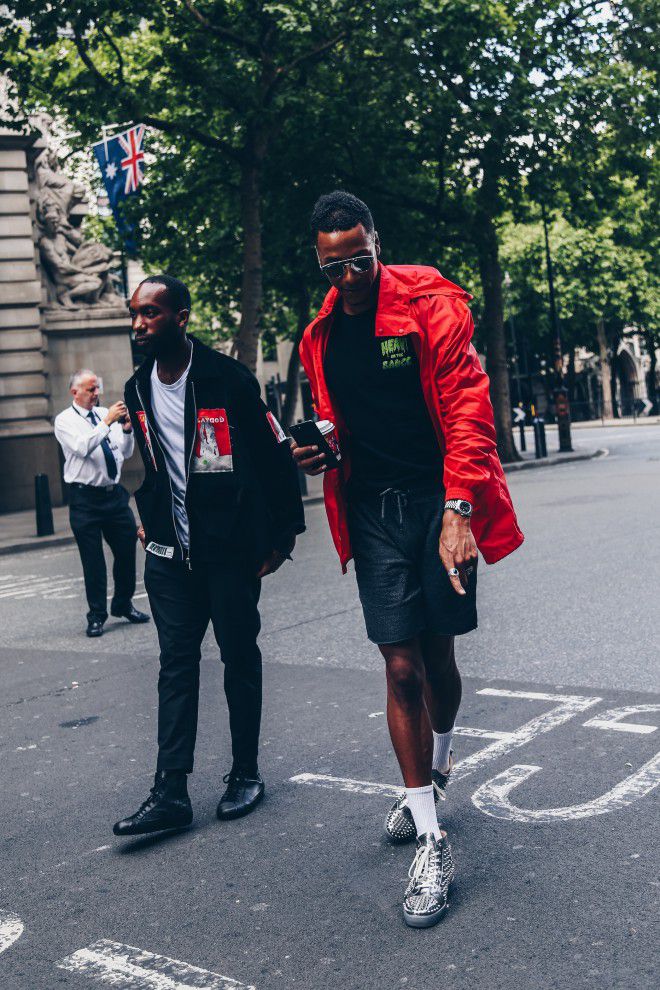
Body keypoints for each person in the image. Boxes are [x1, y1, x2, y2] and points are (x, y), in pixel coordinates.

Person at [293, 191, 524, 928]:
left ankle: (441, 759)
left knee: (440, 660)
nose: (350, 276)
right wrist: (318, 446)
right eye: (335, 265)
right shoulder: (319, 336)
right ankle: (431, 835)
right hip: (371, 511)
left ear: (376, 243)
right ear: (320, 261)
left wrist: (461, 510)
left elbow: (467, 406)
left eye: (360, 258)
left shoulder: (430, 302)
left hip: (437, 501)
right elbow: (338, 420)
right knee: (400, 668)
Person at [113, 274, 305, 837]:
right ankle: (170, 791)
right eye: (134, 314)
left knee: (239, 656)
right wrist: (148, 511)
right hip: (171, 554)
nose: (139, 324)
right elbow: (154, 462)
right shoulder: (137, 388)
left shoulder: (227, 379)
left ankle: (244, 773)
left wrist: (282, 538)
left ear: (181, 316)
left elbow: (273, 458)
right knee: (176, 664)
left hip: (228, 550)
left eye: (150, 313)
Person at [54, 370, 149, 637]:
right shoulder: (65, 421)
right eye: (91, 389)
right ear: (75, 392)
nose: (97, 394)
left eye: (97, 389)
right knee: (93, 561)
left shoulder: (104, 414)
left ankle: (123, 603)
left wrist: (127, 430)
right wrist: (107, 421)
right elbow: (82, 448)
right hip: (85, 498)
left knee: (127, 551)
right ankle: (96, 615)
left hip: (114, 495)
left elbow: (125, 452)